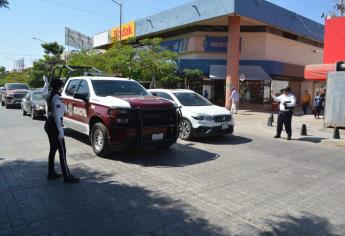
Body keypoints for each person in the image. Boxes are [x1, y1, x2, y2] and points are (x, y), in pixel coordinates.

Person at [42, 77, 79, 184]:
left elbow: (43, 92)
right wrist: (61, 131)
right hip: (55, 126)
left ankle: (51, 172)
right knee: (62, 151)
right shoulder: (56, 98)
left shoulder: (50, 94)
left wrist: (45, 83)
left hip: (49, 124)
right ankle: (67, 177)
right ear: (59, 87)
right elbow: (58, 116)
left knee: (53, 149)